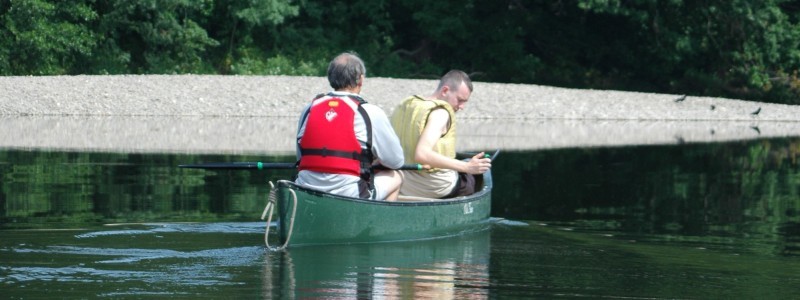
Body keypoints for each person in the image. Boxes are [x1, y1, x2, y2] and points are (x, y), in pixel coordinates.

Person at [295, 52, 404, 200]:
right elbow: (396, 161)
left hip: (305, 190)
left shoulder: (309, 109)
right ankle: (380, 222)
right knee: (396, 175)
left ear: (330, 78)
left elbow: (301, 156)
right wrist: (372, 162)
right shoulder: (370, 112)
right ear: (361, 79)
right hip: (350, 195)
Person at [390, 70, 491, 198]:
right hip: (433, 185)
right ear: (445, 91)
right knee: (473, 176)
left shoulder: (407, 104)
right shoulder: (440, 114)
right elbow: (422, 154)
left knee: (466, 164)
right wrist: (467, 167)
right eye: (460, 100)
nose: (462, 107)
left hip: (402, 177)